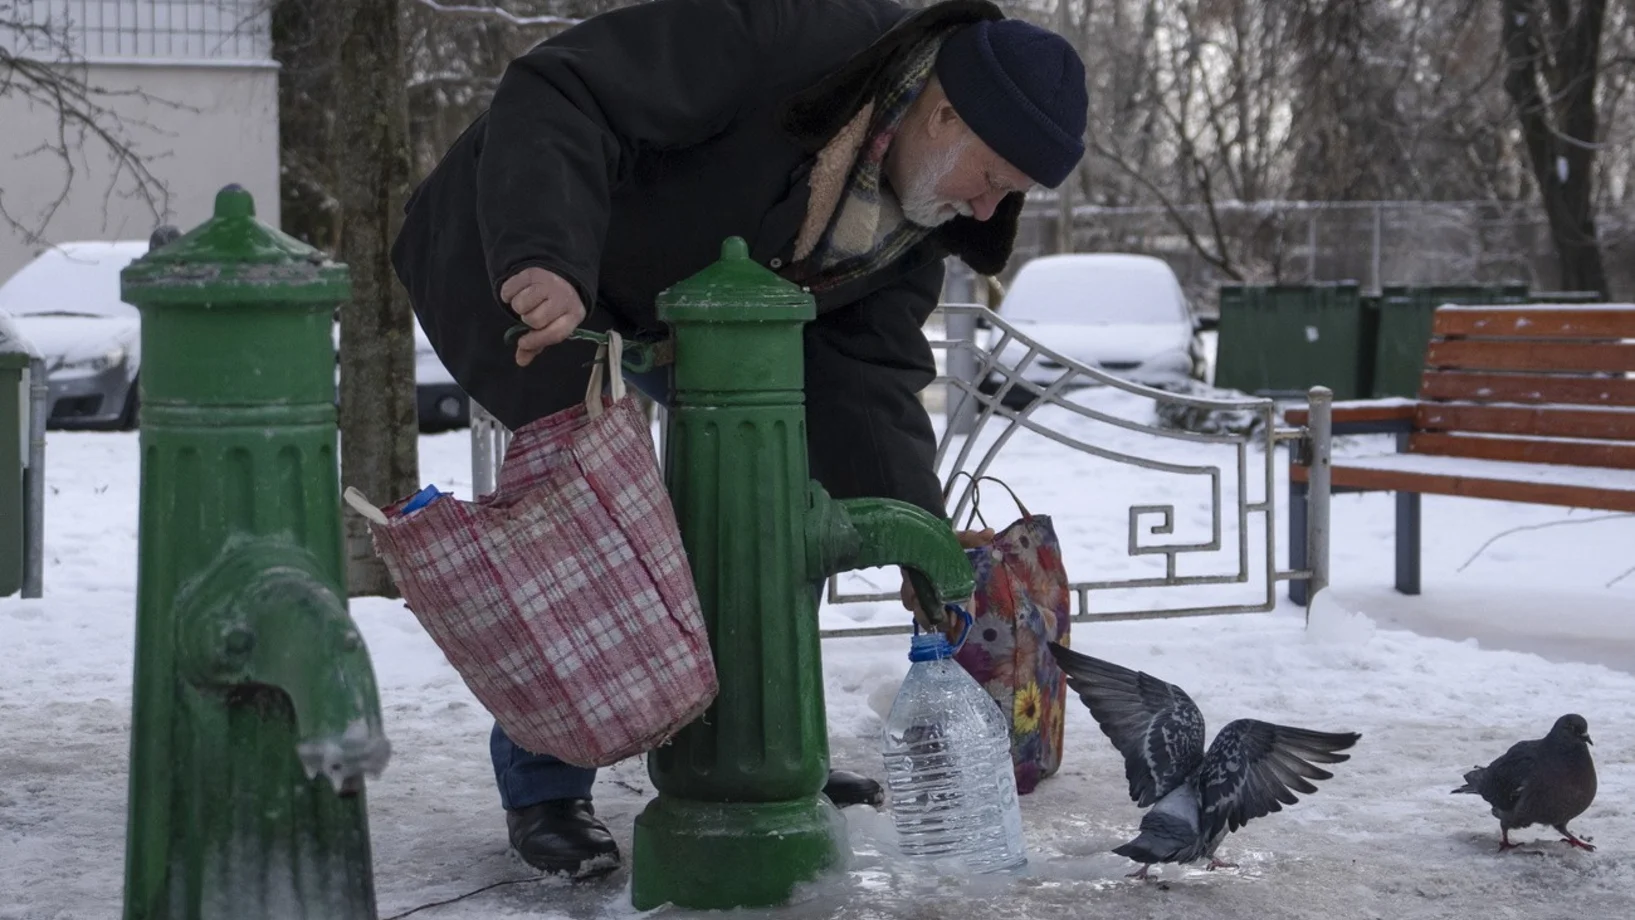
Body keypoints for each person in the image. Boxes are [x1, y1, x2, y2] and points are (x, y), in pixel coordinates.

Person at [392, 0, 1087, 880]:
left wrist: (919, 537)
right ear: (944, 112)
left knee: (771, 499)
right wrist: (544, 255)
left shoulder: (917, 218)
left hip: (702, 315)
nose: (988, 207)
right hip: (531, 260)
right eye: (991, 177)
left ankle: (755, 753)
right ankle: (546, 790)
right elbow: (562, 91)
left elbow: (866, 379)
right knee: (590, 525)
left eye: (1010, 195)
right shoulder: (783, 38)